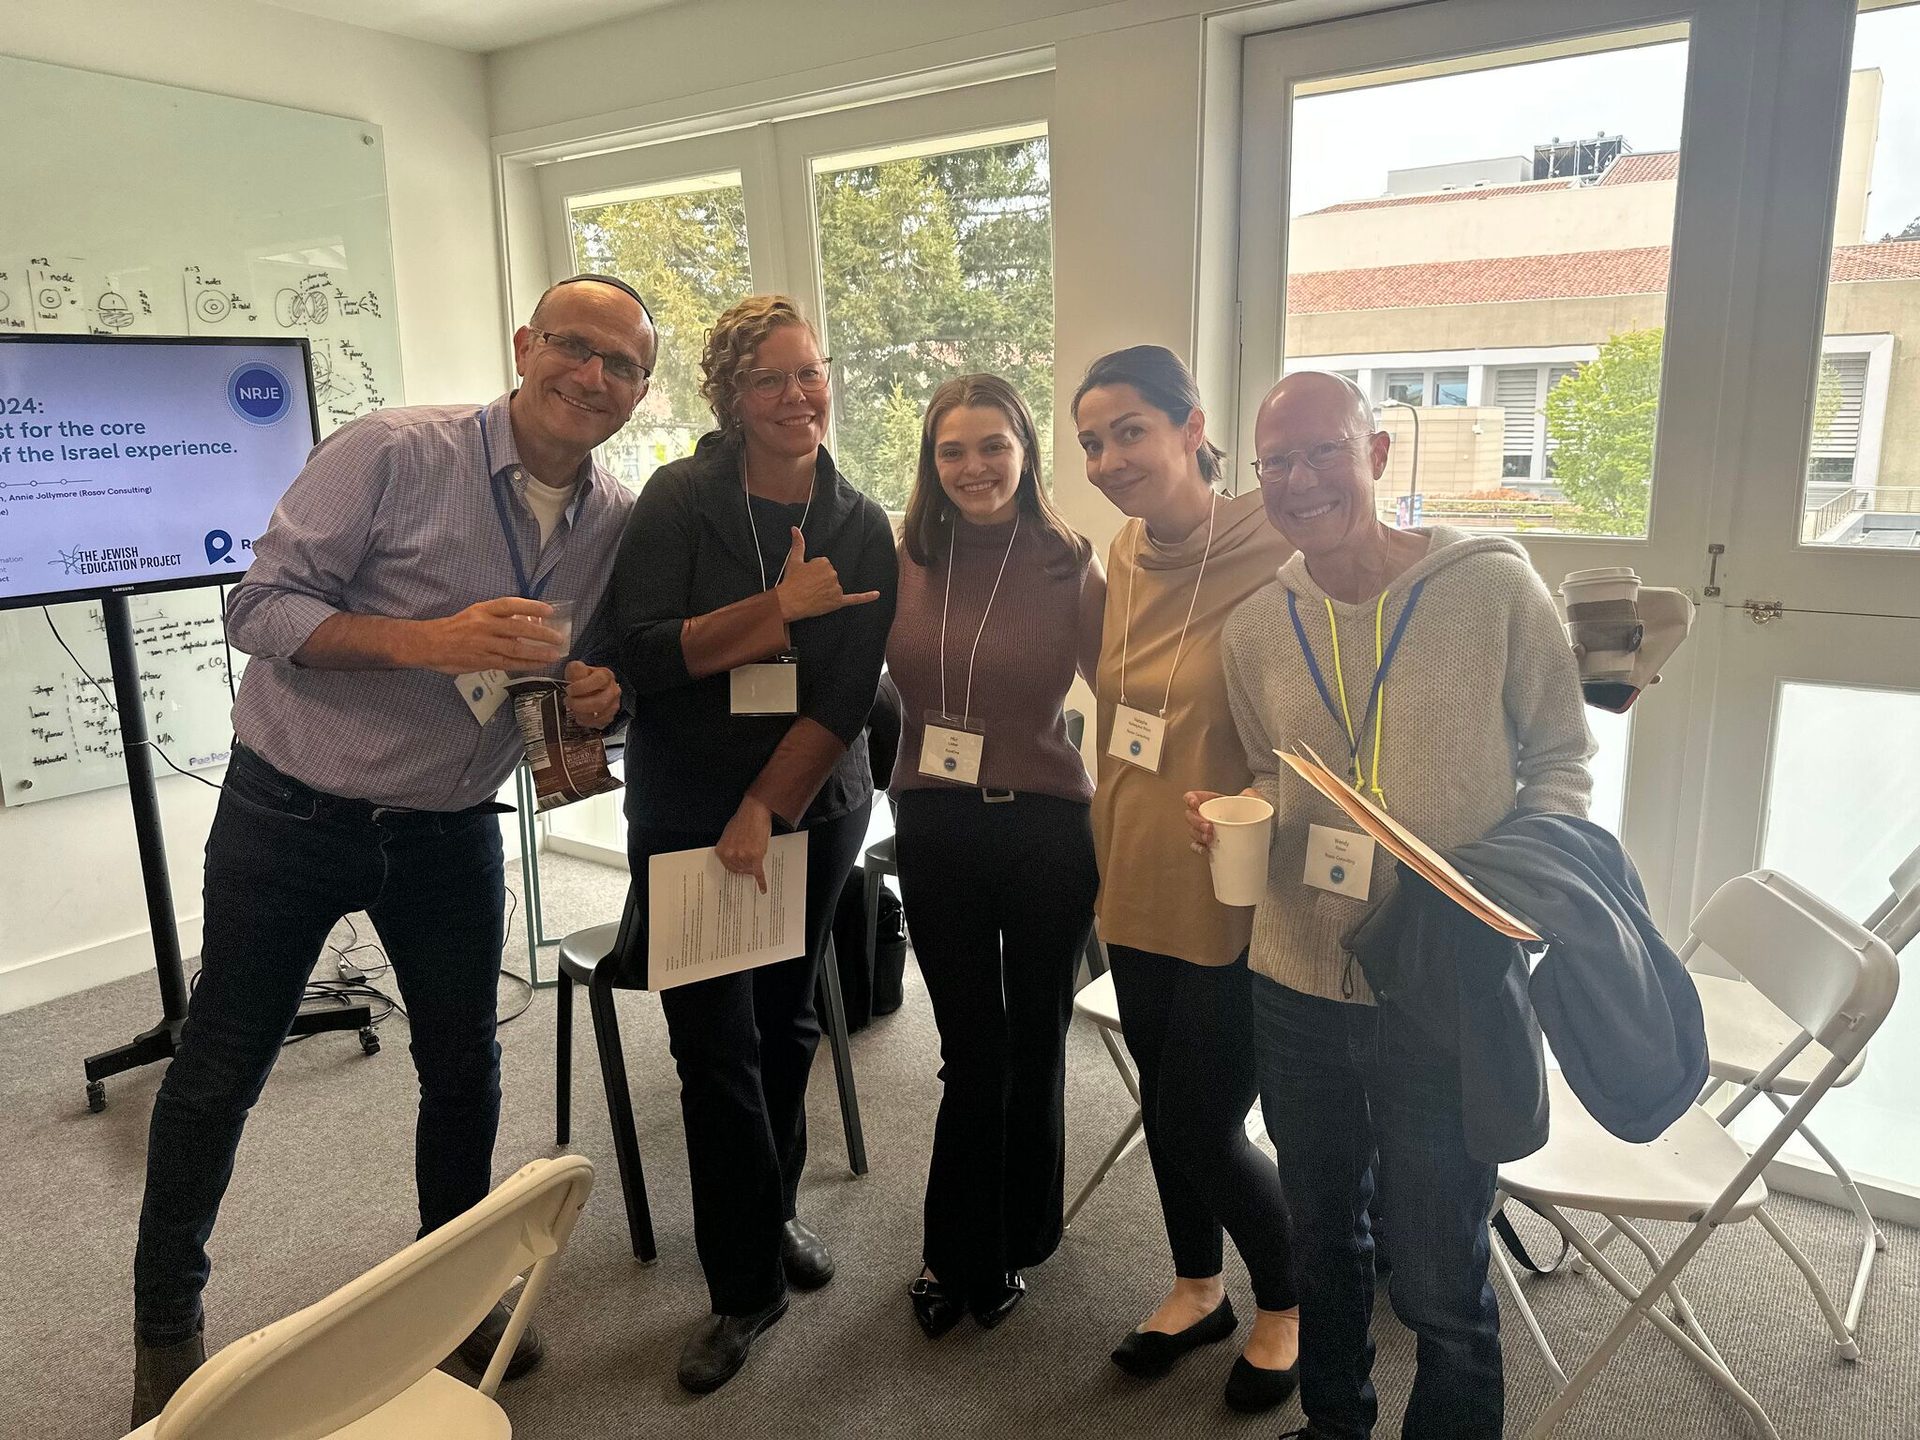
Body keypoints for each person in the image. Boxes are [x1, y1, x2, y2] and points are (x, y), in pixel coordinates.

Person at [131, 273, 654, 1425]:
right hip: (290, 813)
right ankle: (166, 1324)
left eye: (622, 365)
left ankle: (451, 1302)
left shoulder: (615, 520)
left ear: (638, 391)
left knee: (464, 1071)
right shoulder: (391, 450)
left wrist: (600, 695)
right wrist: (429, 643)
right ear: (526, 344)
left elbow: (581, 681)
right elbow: (258, 610)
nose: (592, 377)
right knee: (221, 1069)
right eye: (574, 346)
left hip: (453, 831)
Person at [1190, 371, 1594, 1440]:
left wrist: (1514, 888)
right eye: (1276, 462)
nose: (1298, 480)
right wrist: (1241, 811)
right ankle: (1335, 1426)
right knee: (1323, 1247)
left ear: (1375, 457)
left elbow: (1561, 757)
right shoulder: (1255, 628)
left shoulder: (1493, 589)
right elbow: (1284, 776)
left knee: (1435, 1271)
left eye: (1323, 452)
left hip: (1439, 981)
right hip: (1296, 976)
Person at [609, 294, 895, 1394]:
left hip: (811, 806)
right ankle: (742, 1291)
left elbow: (841, 697)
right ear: (731, 395)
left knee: (786, 1027)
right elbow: (641, 654)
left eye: (812, 372)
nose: (798, 396)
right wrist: (775, 609)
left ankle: (769, 1213)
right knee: (713, 1047)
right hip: (688, 811)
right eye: (772, 379)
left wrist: (766, 811)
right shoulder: (681, 500)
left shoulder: (858, 519)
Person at [1072, 346, 1301, 1413]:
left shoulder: (1277, 538)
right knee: (1165, 1099)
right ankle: (1197, 1285)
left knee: (1195, 1119)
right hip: (1134, 868)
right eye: (1091, 441)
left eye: (1128, 431)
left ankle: (1287, 1302)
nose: (1109, 458)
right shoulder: (1123, 549)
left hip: (1233, 880)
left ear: (1191, 426)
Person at [885, 373, 1104, 1337]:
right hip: (937, 827)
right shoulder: (903, 559)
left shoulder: (1069, 565)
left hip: (1047, 828)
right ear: (932, 465)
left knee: (1035, 1037)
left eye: (993, 446)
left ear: (1025, 452)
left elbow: (1130, 689)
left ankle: (1020, 1234)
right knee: (969, 1045)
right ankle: (952, 1246)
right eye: (952, 450)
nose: (974, 468)